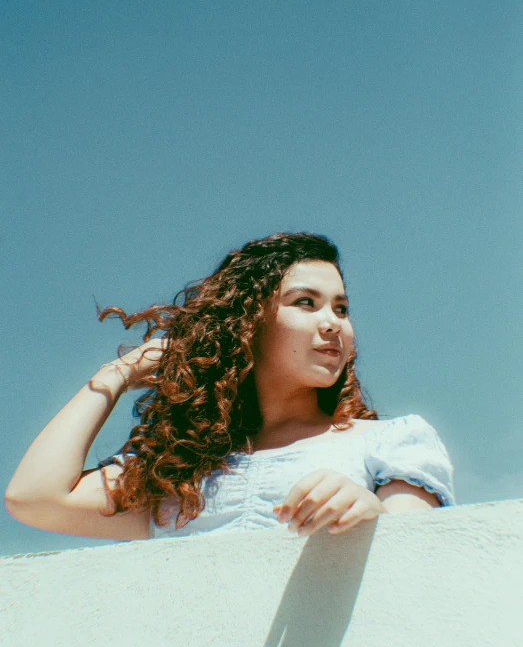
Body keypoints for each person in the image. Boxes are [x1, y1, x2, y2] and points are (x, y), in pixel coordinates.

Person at [5, 232, 455, 542]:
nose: (332, 324)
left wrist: (371, 512)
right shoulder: (179, 474)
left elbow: (415, 556)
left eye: (341, 308)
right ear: (248, 324)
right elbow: (34, 498)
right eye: (305, 303)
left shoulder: (392, 443)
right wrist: (117, 375)